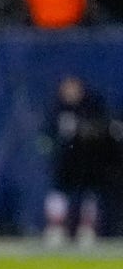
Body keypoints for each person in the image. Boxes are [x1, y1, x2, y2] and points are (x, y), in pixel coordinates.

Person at [40, 75, 122, 246]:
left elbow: (105, 130)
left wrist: (89, 133)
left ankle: (87, 228)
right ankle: (56, 227)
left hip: (88, 161)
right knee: (59, 192)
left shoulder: (92, 107)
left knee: (89, 194)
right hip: (64, 162)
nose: (70, 91)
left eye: (74, 87)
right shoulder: (57, 109)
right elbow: (46, 136)